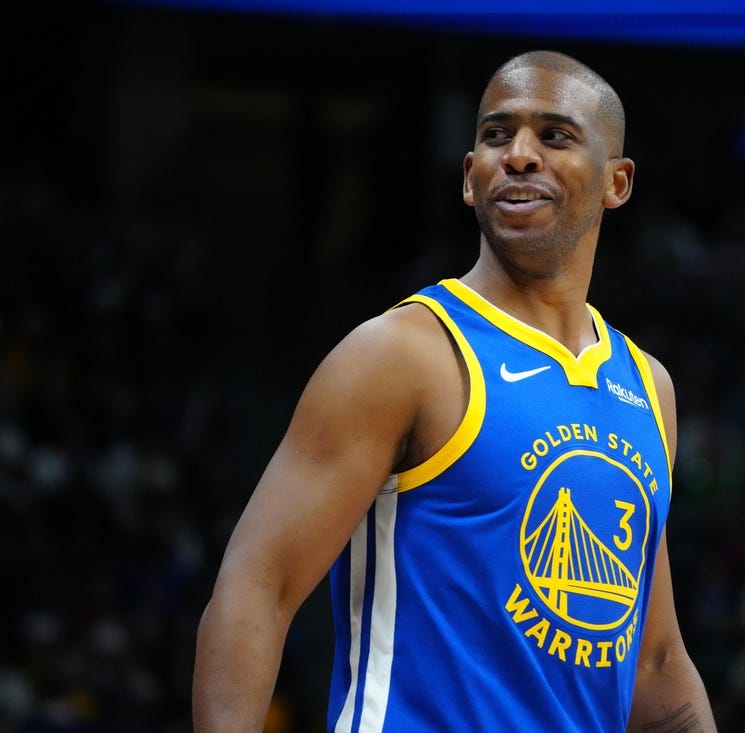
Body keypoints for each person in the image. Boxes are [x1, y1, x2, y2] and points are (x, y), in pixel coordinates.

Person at [193, 49, 717, 733]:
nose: (519, 155)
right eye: (498, 135)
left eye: (554, 136)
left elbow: (652, 660)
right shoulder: (402, 353)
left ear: (616, 182)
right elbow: (257, 586)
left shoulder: (648, 388)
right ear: (470, 179)